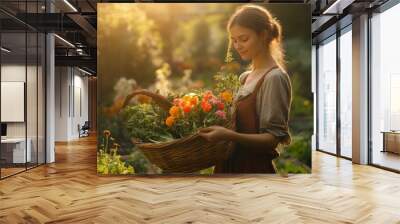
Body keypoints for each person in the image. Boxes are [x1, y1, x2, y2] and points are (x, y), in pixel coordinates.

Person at [198, 5, 292, 173]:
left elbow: (271, 139)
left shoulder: (274, 78)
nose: (238, 45)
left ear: (263, 35)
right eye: (234, 40)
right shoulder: (245, 77)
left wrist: (227, 135)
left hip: (252, 169)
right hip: (228, 164)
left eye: (244, 39)